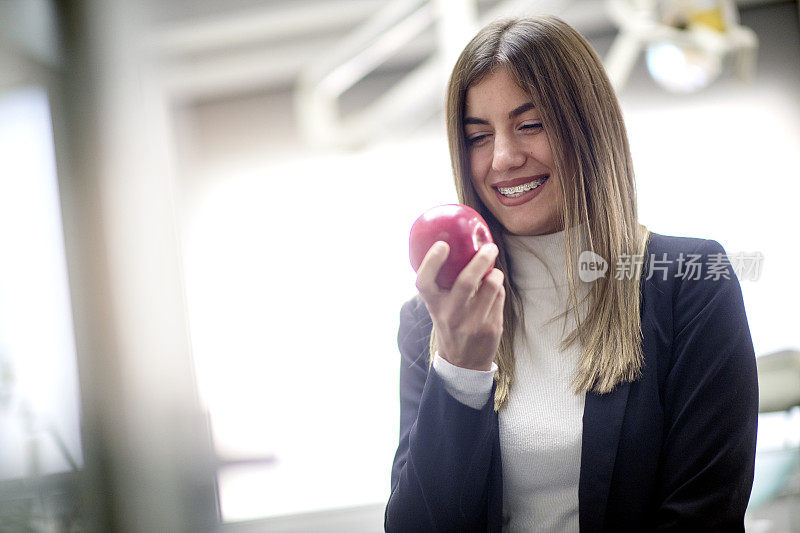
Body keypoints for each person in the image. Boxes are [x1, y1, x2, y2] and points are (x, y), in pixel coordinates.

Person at [384, 15, 758, 532]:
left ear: (587, 127)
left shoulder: (691, 283)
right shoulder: (434, 322)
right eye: (478, 136)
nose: (504, 158)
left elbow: (704, 515)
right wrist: (460, 369)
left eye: (530, 124)